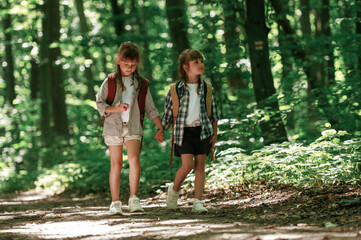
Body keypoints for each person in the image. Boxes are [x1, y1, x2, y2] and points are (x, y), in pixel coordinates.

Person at [96, 42, 164, 215]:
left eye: (133, 65)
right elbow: (100, 103)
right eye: (126, 64)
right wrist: (114, 109)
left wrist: (160, 127)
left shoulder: (141, 83)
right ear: (118, 61)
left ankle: (134, 199)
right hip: (113, 127)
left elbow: (150, 108)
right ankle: (115, 202)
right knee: (116, 164)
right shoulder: (110, 81)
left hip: (133, 127)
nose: (129, 67)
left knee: (134, 160)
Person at [158, 49, 219, 213]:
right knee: (187, 166)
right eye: (196, 62)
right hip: (183, 133)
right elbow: (168, 114)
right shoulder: (175, 89)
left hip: (203, 131)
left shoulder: (207, 88)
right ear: (185, 67)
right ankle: (174, 189)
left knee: (200, 166)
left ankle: (198, 202)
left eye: (201, 61)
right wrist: (161, 129)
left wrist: (215, 133)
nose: (201, 65)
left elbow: (213, 113)